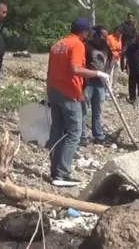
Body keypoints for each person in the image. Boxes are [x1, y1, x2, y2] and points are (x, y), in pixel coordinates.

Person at [46, 18, 109, 187]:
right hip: (68, 94)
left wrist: (49, 93)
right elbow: (75, 69)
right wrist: (98, 74)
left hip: (55, 91)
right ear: (85, 32)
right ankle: (62, 174)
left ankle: (54, 172)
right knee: (74, 133)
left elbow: (50, 71)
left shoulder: (58, 45)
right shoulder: (77, 45)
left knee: (57, 133)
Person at [80, 25, 110, 147]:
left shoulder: (105, 48)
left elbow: (109, 61)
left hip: (101, 84)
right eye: (103, 36)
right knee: (83, 111)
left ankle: (98, 135)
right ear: (96, 35)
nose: (105, 39)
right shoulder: (86, 46)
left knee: (97, 111)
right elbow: (81, 64)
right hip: (88, 83)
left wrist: (107, 77)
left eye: (106, 37)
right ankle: (81, 137)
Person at [106, 26, 122, 92]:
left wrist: (120, 51)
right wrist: (114, 49)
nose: (120, 34)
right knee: (110, 73)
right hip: (111, 57)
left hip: (117, 58)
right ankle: (108, 88)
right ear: (116, 31)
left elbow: (120, 48)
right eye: (119, 32)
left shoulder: (119, 40)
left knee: (116, 73)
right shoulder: (109, 38)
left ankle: (114, 86)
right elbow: (107, 47)